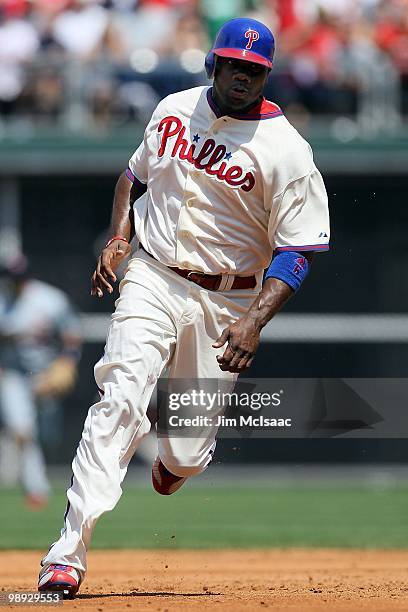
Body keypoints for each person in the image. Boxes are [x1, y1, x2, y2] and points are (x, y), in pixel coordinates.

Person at [38, 17, 330, 598]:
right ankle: (67, 554)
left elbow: (299, 249)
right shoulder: (173, 107)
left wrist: (253, 319)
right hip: (154, 274)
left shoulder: (286, 150)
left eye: (254, 69)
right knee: (119, 393)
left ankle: (176, 465)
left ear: (267, 75)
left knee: (191, 450)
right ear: (212, 65)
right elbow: (132, 177)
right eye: (233, 65)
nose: (242, 77)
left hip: (231, 297)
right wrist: (119, 237)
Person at [0, 256, 81, 508]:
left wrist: (67, 362)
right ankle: (36, 488)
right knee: (21, 429)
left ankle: (53, 479)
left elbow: (72, 334)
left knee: (48, 435)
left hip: (46, 374)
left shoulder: (49, 299)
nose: (17, 284)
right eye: (12, 280)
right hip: (12, 374)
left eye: (20, 279)